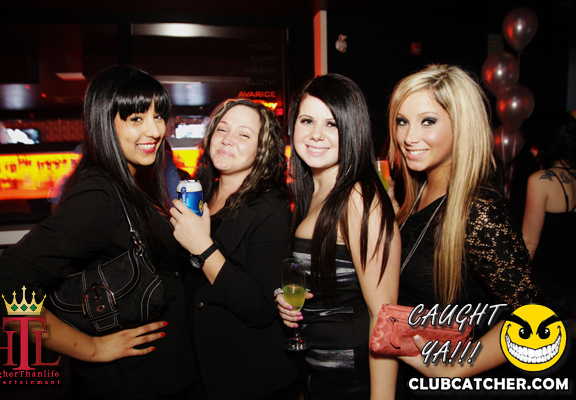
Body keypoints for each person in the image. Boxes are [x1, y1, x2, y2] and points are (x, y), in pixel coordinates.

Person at [0, 65, 197, 399]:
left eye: (158, 116)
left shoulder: (131, 181)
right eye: (136, 118)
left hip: (159, 373)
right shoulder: (98, 195)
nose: (154, 130)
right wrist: (92, 348)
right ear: (104, 122)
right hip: (129, 382)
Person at [387, 64, 540, 388]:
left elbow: (533, 315)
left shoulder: (479, 210)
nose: (409, 137)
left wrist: (454, 368)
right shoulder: (418, 190)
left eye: (428, 121)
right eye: (402, 121)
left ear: (461, 125)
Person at [275, 74, 402, 399]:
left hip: (354, 380)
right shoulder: (313, 192)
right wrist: (290, 302)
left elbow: (385, 316)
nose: (316, 134)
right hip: (319, 376)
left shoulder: (359, 199)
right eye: (307, 120)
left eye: (332, 124)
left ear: (352, 129)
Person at [169, 99, 300, 400]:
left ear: (262, 150)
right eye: (222, 129)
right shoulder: (200, 195)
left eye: (244, 134)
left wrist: (203, 248)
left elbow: (261, 309)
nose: (228, 139)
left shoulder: (270, 209)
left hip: (246, 379)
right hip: (196, 369)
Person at [522, 109, 576, 319]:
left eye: (536, 144)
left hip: (546, 285)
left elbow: (529, 242)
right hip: (570, 286)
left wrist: (514, 285)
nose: (532, 150)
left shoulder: (541, 180)